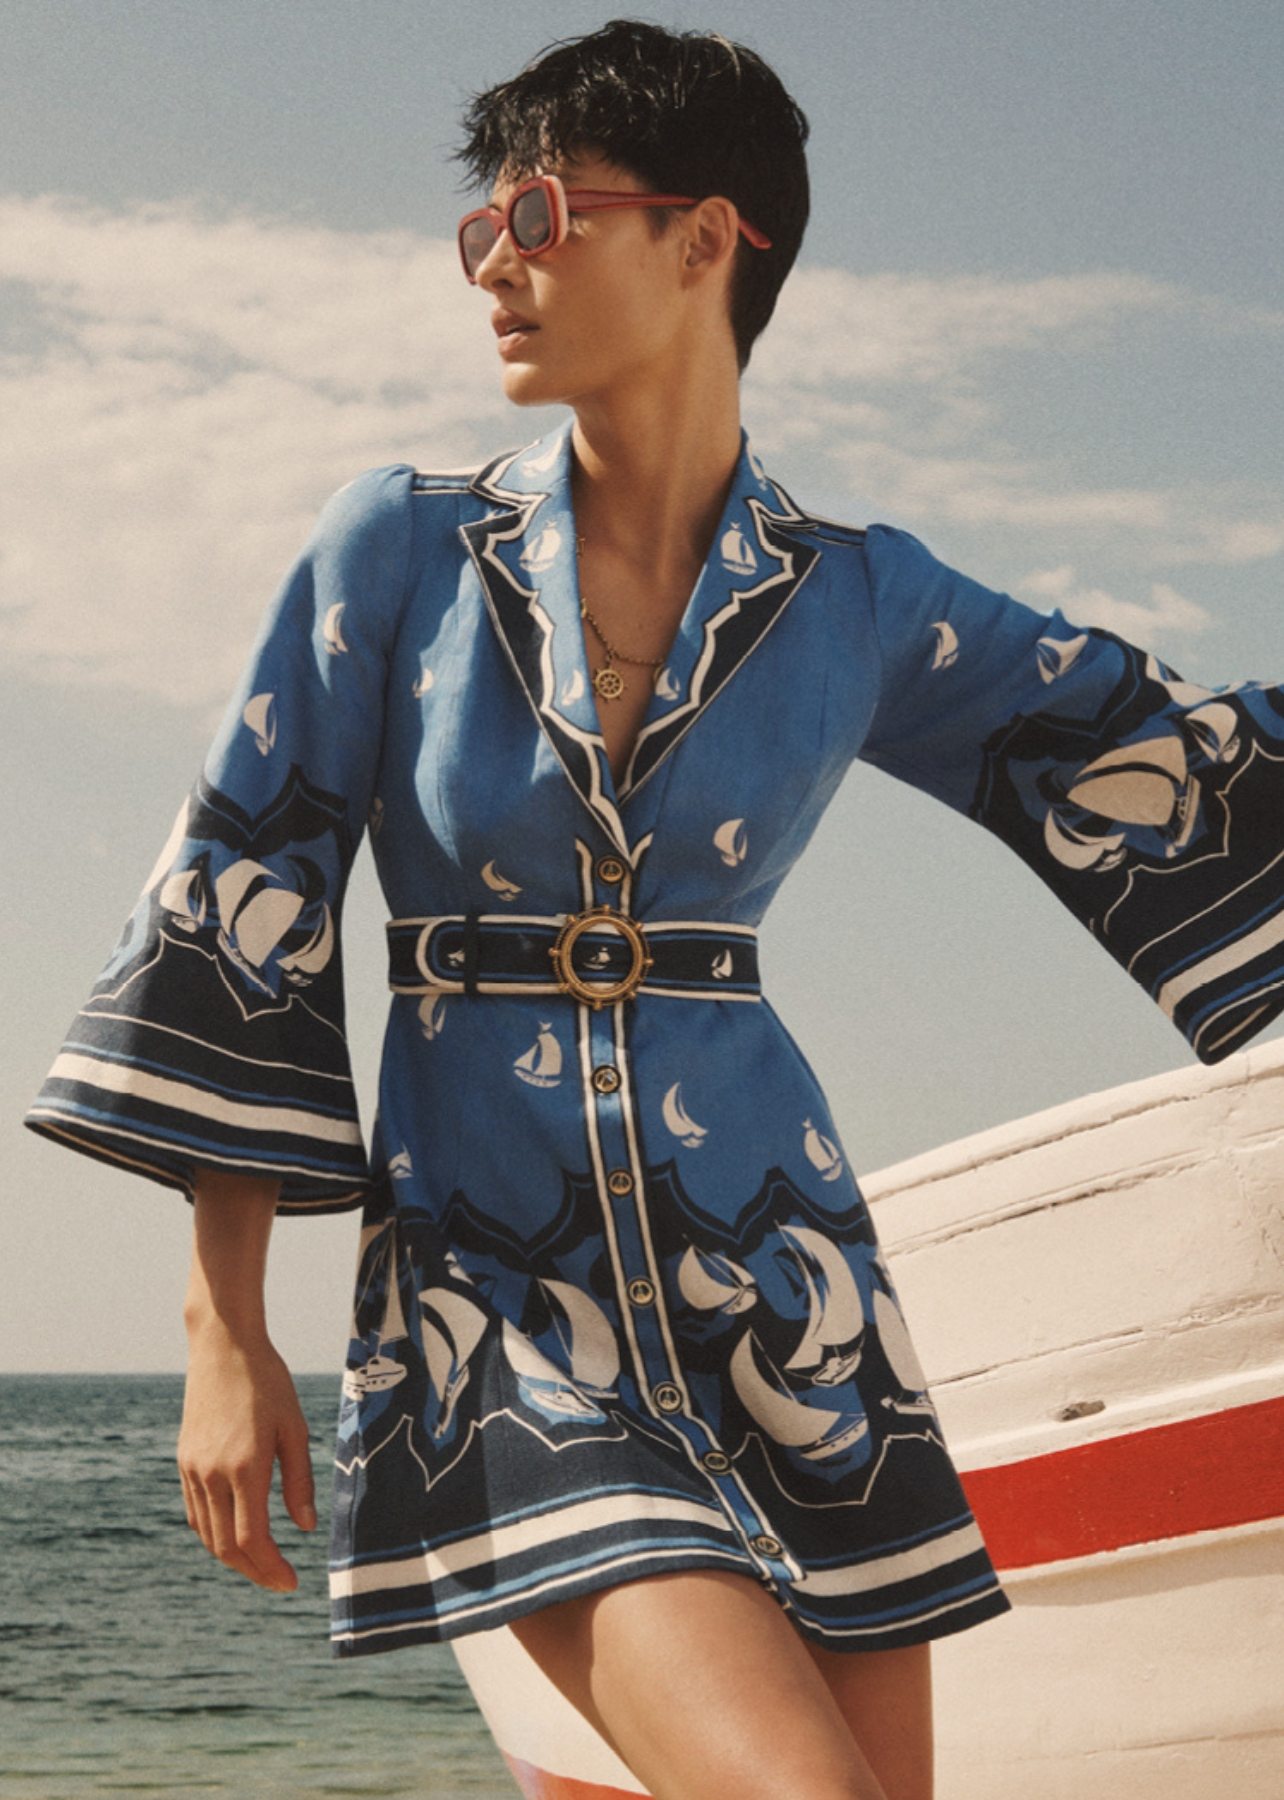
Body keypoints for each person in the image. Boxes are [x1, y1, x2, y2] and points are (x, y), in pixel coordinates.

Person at [25, 19, 1284, 1800]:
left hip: (793, 1298)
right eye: (479, 228)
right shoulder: (394, 550)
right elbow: (254, 894)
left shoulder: (859, 602)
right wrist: (222, 1323)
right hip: (500, 1299)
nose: (496, 261)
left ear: (710, 238)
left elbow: (1172, 757)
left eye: (539, 210)